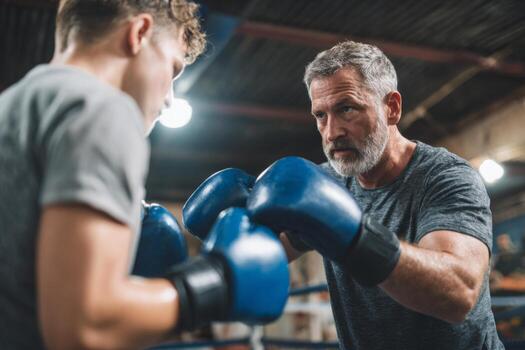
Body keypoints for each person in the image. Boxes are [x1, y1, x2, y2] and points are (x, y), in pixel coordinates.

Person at [0, 1, 290, 349]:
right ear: (138, 33)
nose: (168, 99)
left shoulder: (13, 104)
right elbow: (83, 328)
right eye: (173, 69)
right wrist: (215, 284)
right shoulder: (102, 109)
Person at [183, 41, 504, 349]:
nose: (332, 131)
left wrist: (354, 235)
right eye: (320, 115)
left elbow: (459, 294)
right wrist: (224, 244)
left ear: (391, 108)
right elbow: (259, 260)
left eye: (347, 109)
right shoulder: (322, 183)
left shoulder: (445, 177)